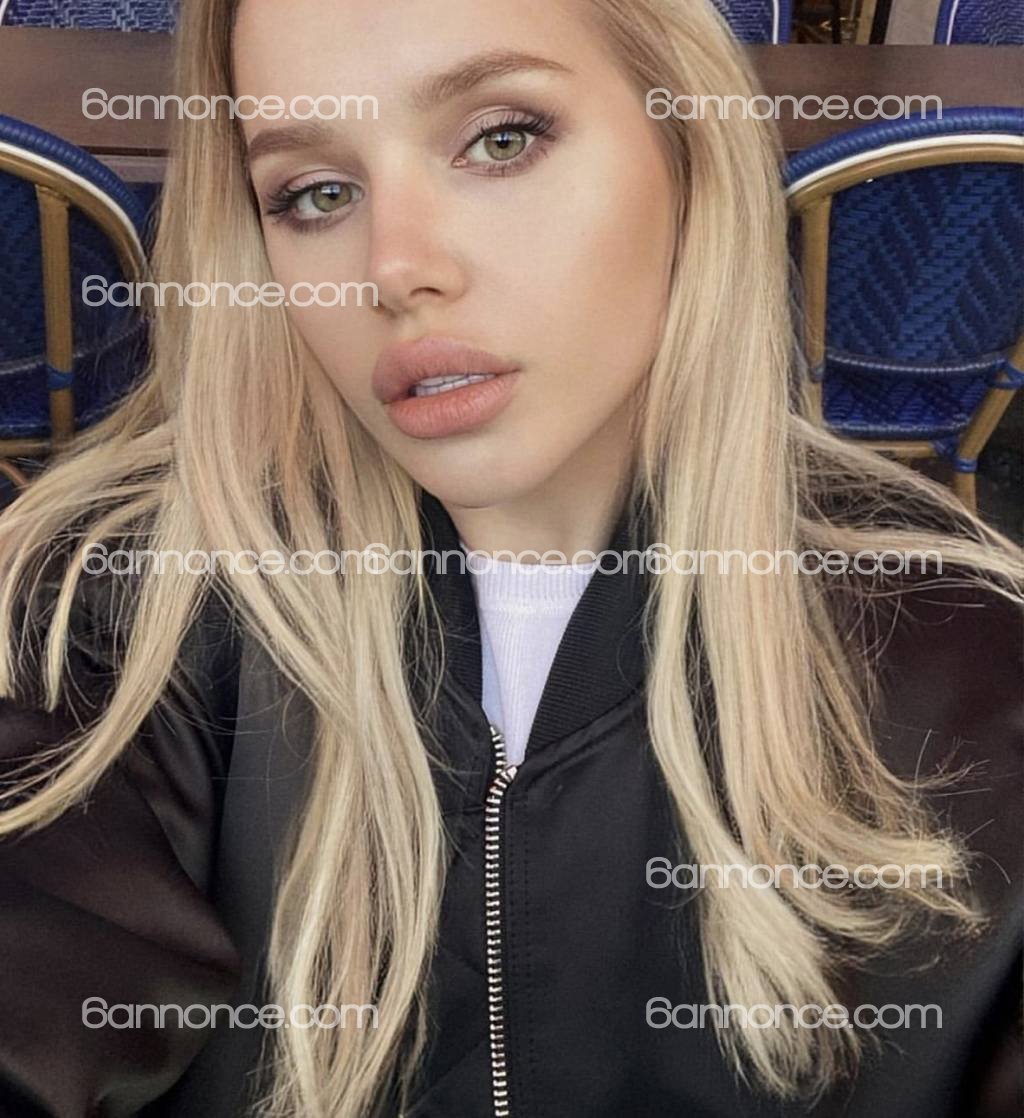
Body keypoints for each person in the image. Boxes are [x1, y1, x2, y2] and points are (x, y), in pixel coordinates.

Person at [0, 1, 1020, 1115]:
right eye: (317, 193)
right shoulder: (104, 616)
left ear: (687, 148)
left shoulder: (979, 678)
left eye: (501, 138)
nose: (395, 268)